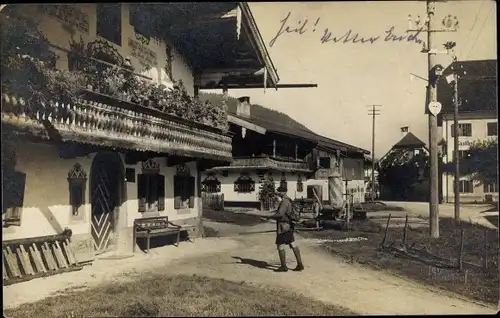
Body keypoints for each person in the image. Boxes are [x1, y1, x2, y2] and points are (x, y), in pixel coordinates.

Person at [268, 188, 304, 272]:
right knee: (293, 244)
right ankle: (300, 264)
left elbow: (280, 214)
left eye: (279, 191)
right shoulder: (289, 200)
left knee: (280, 245)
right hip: (289, 226)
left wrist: (270, 217)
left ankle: (283, 267)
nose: (278, 192)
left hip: (283, 227)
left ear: (284, 192)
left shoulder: (284, 201)